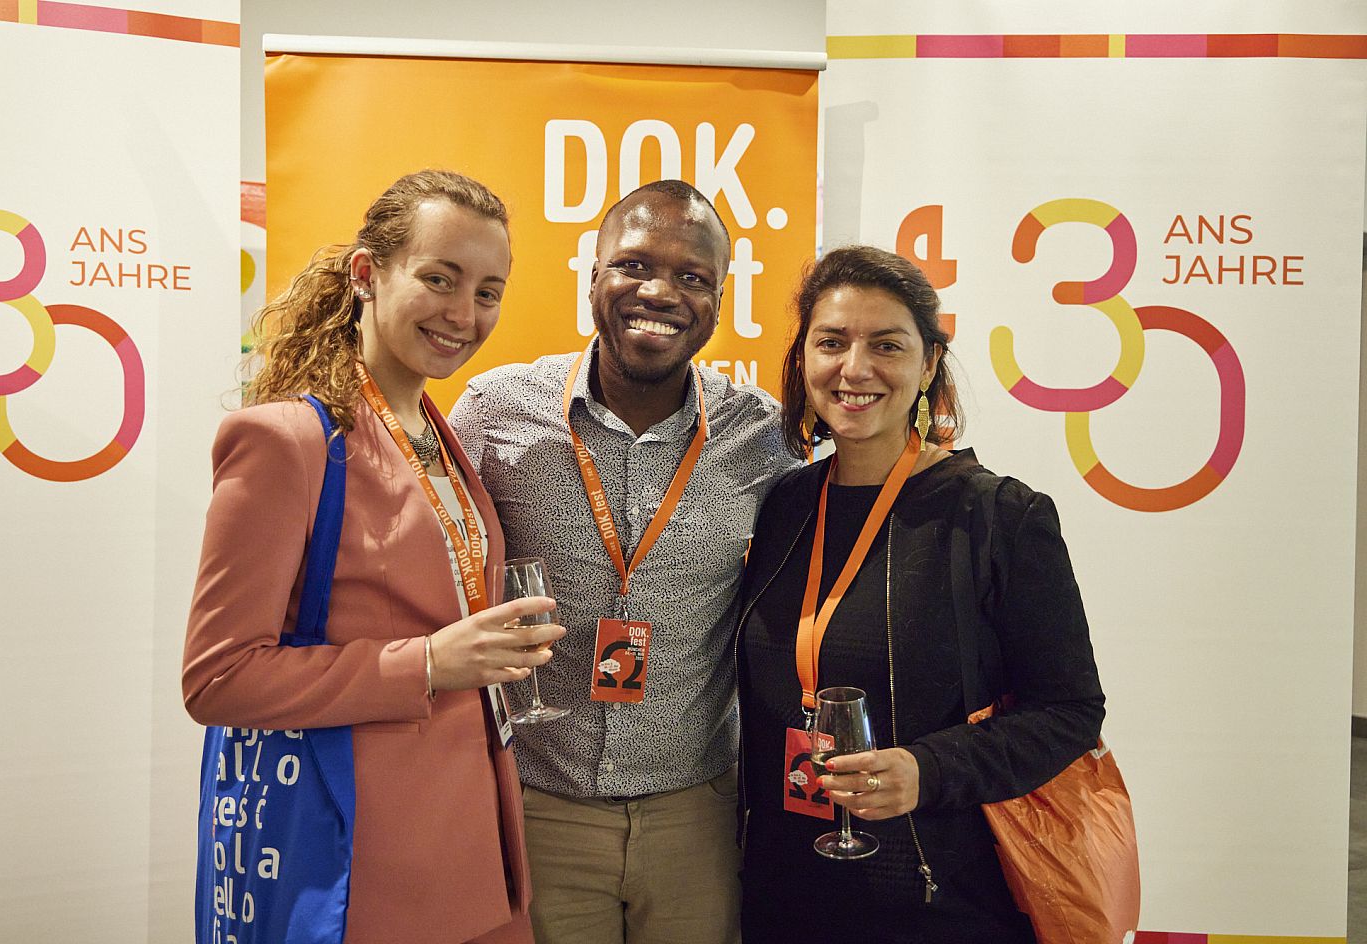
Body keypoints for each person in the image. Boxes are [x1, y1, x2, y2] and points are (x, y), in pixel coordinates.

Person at [182, 170, 564, 944]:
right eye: (439, 279)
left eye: (488, 292)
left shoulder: (441, 434)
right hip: (363, 864)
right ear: (367, 273)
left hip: (480, 847)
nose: (465, 314)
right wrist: (426, 664)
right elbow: (218, 677)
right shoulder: (287, 439)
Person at [450, 180, 800, 944]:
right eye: (634, 265)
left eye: (692, 276)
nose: (659, 292)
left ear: (718, 300)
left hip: (695, 818)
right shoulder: (494, 411)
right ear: (593, 277)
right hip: (540, 804)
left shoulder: (765, 439)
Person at [736, 246, 1106, 942]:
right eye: (831, 343)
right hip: (783, 897)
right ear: (803, 358)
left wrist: (926, 769)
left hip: (938, 902)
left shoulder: (996, 515)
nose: (854, 369)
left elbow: (1070, 711)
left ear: (930, 363)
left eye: (887, 345)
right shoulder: (784, 504)